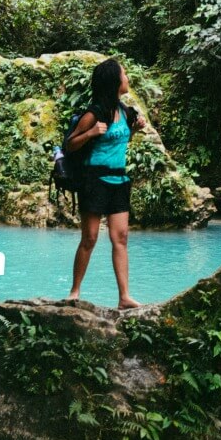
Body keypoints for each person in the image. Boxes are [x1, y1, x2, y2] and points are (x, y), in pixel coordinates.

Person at [64, 58, 146, 309]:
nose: (128, 78)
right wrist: (89, 133)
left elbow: (119, 142)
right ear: (114, 81)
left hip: (119, 179)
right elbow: (69, 145)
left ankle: (124, 297)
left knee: (120, 237)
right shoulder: (95, 113)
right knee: (89, 238)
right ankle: (75, 291)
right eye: (124, 74)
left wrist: (134, 131)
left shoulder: (126, 112)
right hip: (95, 180)